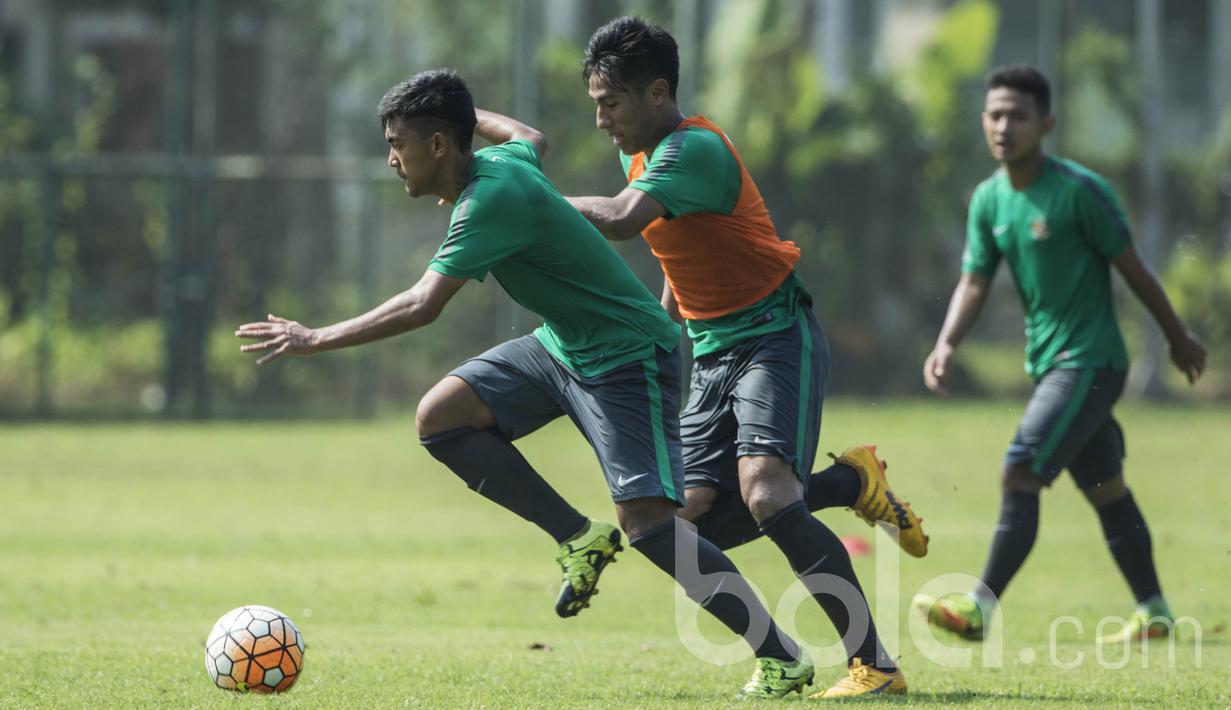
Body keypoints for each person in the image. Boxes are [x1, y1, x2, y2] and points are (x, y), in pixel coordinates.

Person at [236, 69, 816, 699]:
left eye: (399, 142)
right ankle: (576, 535)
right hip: (561, 345)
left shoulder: (488, 199)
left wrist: (314, 338)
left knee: (650, 525)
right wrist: (455, 111)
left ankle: (781, 656)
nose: (391, 158)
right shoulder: (504, 159)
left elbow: (423, 305)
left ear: (436, 147)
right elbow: (528, 134)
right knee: (441, 417)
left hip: (626, 354)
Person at [564, 16, 923, 698]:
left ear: (656, 93)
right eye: (595, 105)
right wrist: (667, 324)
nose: (601, 119)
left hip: (773, 336)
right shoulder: (638, 154)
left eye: (609, 103)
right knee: (678, 526)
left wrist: (527, 198)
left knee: (764, 492)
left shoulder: (692, 148)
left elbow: (618, 220)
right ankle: (849, 486)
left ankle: (874, 666)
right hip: (711, 352)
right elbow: (683, 242)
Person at [913, 65, 1207, 644]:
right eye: (995, 114)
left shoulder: (1079, 191)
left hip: (1092, 361)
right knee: (1106, 488)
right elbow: (974, 281)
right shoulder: (989, 200)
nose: (1004, 126)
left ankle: (978, 608)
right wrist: (947, 342)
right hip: (1052, 364)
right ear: (983, 121)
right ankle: (1154, 610)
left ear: (1045, 124)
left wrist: (1176, 336)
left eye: (1018, 116)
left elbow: (1135, 271)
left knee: (1020, 471)